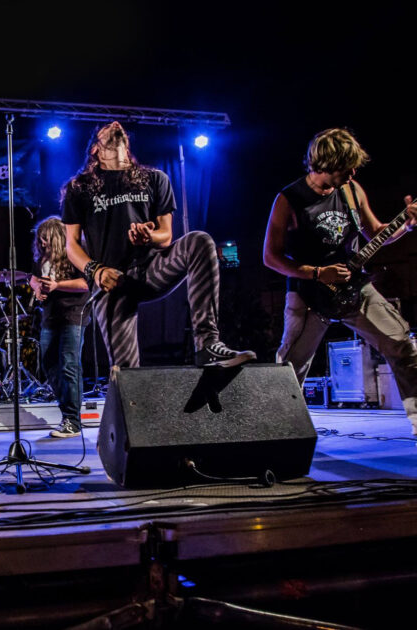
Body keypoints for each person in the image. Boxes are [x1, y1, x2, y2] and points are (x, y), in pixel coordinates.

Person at [62, 121, 255, 370]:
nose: (115, 124)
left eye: (118, 125)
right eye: (106, 126)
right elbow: (71, 245)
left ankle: (207, 345)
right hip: (112, 280)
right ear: (94, 149)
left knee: (199, 241)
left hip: (151, 269)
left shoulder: (154, 179)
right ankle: (127, 388)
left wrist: (148, 237)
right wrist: (96, 271)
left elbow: (165, 236)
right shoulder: (79, 188)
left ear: (127, 145)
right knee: (127, 373)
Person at [264, 127, 417, 433]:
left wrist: (406, 225)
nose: (353, 172)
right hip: (308, 293)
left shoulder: (351, 190)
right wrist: (317, 273)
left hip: (354, 284)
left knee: (402, 344)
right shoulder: (289, 199)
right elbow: (270, 257)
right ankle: (280, 433)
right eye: (347, 167)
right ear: (327, 164)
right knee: (290, 369)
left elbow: (376, 233)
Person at [29, 216, 89, 438]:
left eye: (45, 238)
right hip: (50, 316)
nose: (42, 243)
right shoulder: (42, 258)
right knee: (49, 364)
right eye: (39, 239)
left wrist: (57, 286)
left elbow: (85, 283)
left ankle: (73, 421)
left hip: (73, 314)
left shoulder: (75, 254)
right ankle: (67, 414)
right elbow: (33, 278)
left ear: (56, 237)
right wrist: (37, 287)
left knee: (69, 365)